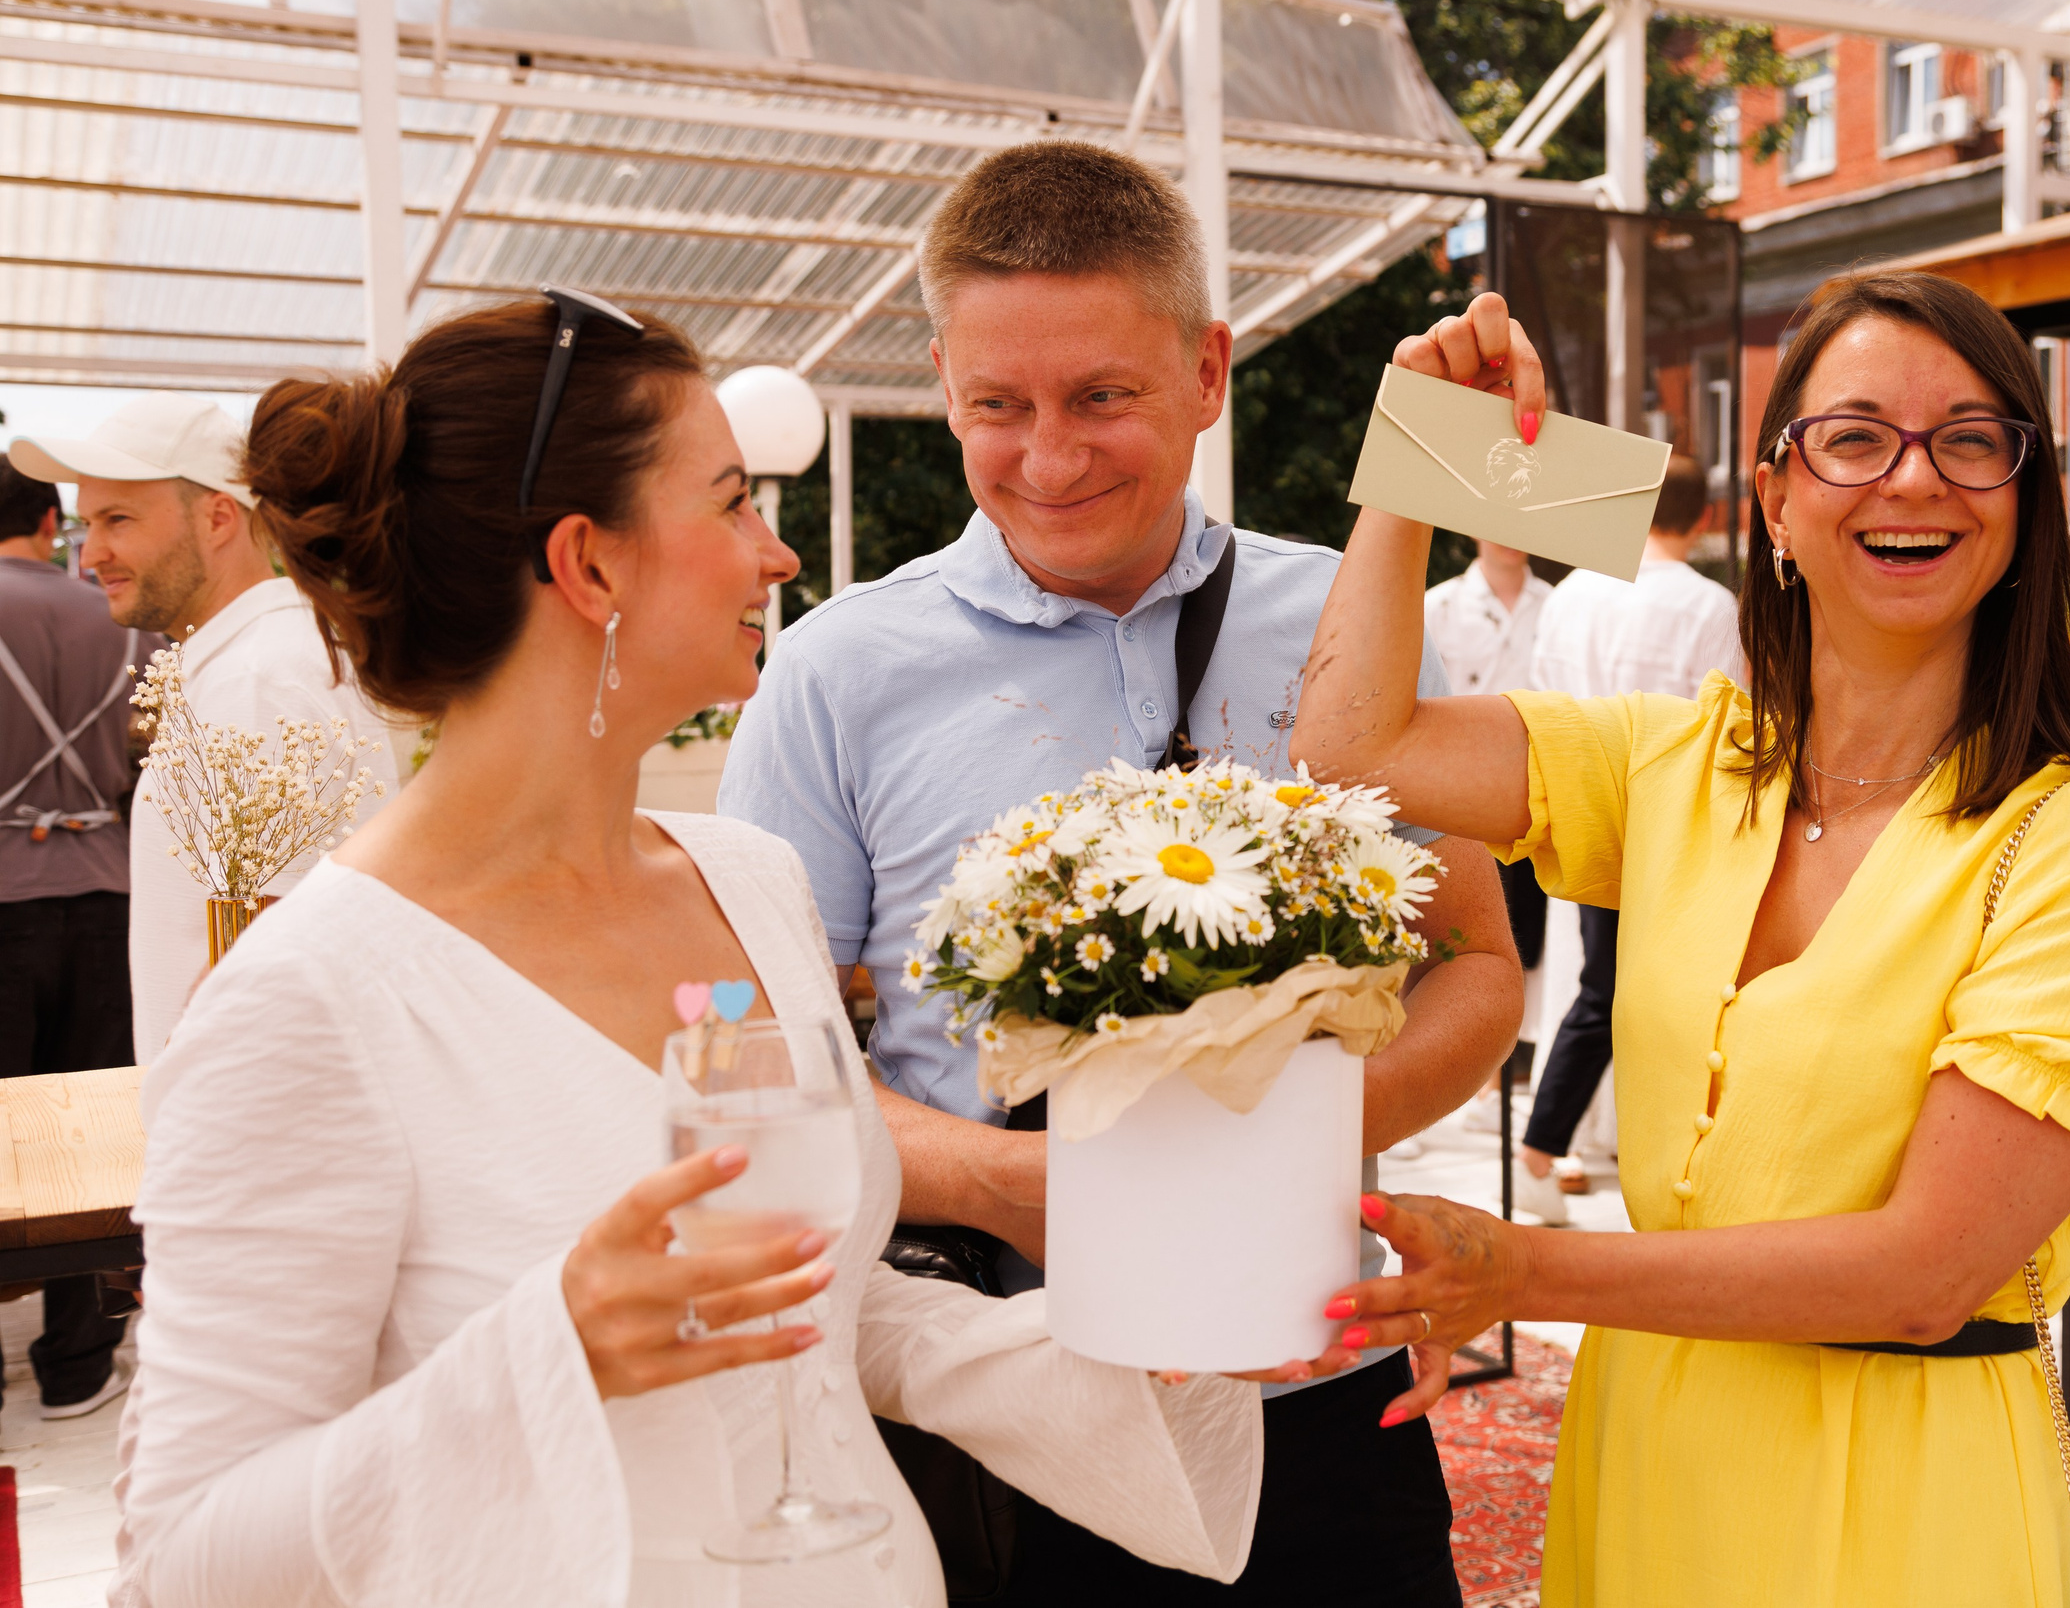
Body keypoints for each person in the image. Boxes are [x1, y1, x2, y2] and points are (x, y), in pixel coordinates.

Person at [116, 297, 1291, 1608]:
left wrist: (1139, 1345)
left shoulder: (749, 882)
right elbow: (180, 1557)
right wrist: (547, 1352)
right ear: (592, 565)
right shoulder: (307, 999)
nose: (776, 557)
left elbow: (819, 1301)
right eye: (733, 502)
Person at [1292, 275, 2070, 1607]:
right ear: (1775, 498)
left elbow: (1926, 1271)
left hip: (1904, 1474)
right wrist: (1422, 452)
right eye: (1855, 435)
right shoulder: (1686, 757)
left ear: (2024, 498)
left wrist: (1525, 1263)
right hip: (1653, 1431)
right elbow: (1355, 747)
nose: (1915, 479)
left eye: (1969, 437)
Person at [720, 140, 1521, 1608]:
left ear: (1209, 369)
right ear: (943, 386)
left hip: (1320, 1389)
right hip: (1003, 1407)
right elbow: (769, 1051)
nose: (1050, 454)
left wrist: (1292, 1145)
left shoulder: (1350, 623)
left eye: (1103, 396)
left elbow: (1476, 958)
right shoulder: (835, 670)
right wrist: (1033, 1186)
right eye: (995, 406)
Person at [8, 395, 397, 1063]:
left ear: (219, 517)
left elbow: (275, 975)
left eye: (118, 519)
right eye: (87, 521)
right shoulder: (255, 663)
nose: (91, 552)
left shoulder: (257, 683)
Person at [1514, 455, 1743, 1223]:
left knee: (1603, 986)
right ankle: (1547, 1146)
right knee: (1632, 992)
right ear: (1706, 517)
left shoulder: (1573, 593)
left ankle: (1562, 1146)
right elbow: (1727, 727)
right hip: (1672, 821)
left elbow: (1537, 702)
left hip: (1576, 808)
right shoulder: (1711, 606)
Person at [0, 457, 161, 1420]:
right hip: (108, 882)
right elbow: (151, 747)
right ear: (53, 517)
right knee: (92, 1131)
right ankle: (78, 1363)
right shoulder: (121, 618)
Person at [1420, 540, 1550, 1143]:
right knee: (1451, 938)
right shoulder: (1438, 606)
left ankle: (1500, 1081)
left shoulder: (1555, 604)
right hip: (1451, 797)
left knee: (1524, 940)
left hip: (1536, 796)